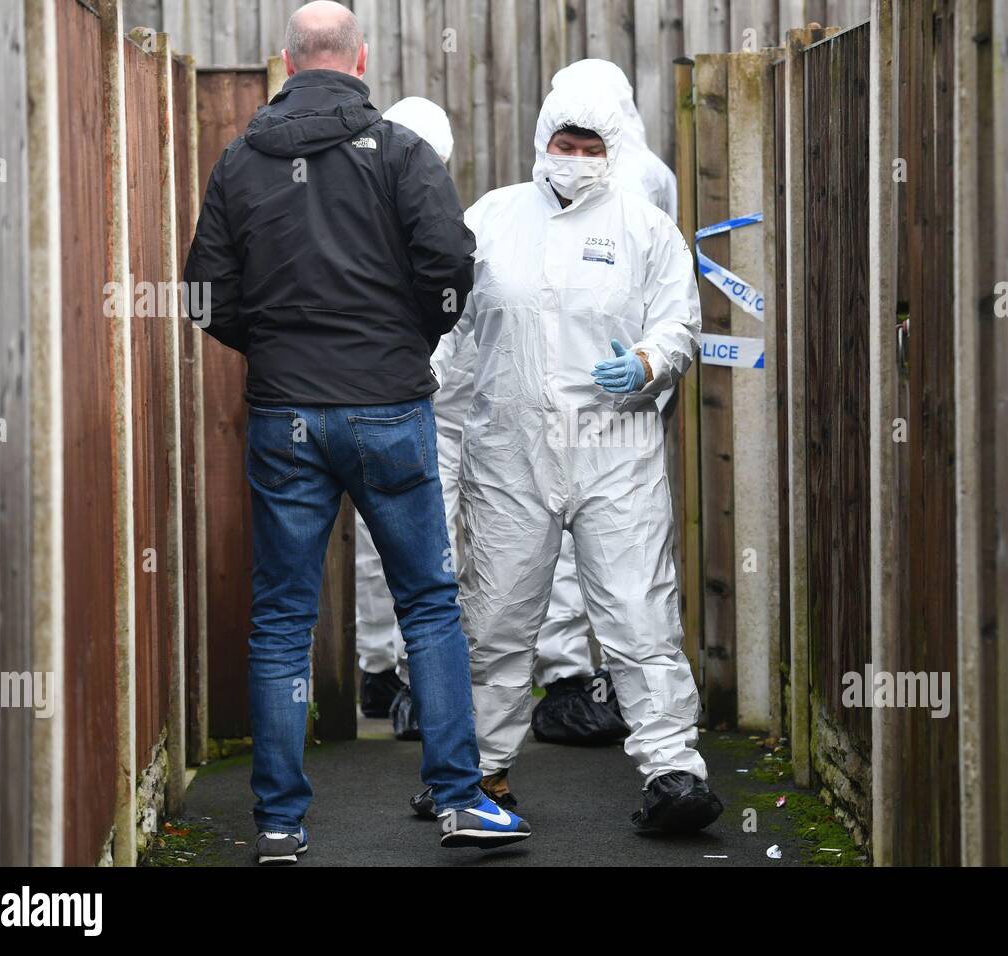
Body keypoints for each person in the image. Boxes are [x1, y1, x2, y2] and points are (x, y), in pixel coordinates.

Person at [182, 0, 530, 863]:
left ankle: (277, 822)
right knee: (429, 606)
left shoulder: (239, 160)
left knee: (280, 621)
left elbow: (203, 296)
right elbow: (451, 265)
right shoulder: (403, 154)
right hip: (389, 407)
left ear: (290, 64)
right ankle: (459, 801)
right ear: (361, 60)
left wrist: (274, 347)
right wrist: (404, 341)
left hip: (286, 415)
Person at [426, 83, 723, 832]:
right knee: (495, 617)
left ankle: (674, 774)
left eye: (593, 149)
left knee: (638, 612)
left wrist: (650, 363)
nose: (578, 161)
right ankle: (474, 774)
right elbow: (447, 333)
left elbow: (679, 324)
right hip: (509, 453)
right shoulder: (491, 220)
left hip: (612, 447)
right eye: (567, 146)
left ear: (612, 151)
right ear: (542, 144)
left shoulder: (646, 229)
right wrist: (425, 394)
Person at [526, 59, 683, 747]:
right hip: (612, 398)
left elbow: (664, 291)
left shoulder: (635, 184)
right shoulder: (639, 175)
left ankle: (579, 684)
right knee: (631, 558)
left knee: (602, 556)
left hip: (606, 394)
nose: (580, 156)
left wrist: (645, 365)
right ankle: (617, 696)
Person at [354, 97, 456, 743]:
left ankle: (383, 675)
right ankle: (420, 696)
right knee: (425, 554)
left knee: (379, 547)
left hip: (362, 400)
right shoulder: (443, 221)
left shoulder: (346, 216)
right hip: (410, 403)